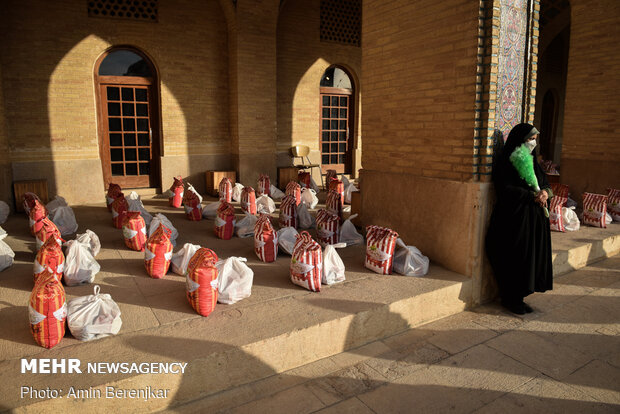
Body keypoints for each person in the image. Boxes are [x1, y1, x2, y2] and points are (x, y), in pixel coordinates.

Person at [485, 123, 553, 314]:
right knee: (515, 257)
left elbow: (545, 184)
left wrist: (545, 193)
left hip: (533, 221)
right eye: (529, 139)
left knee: (529, 260)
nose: (533, 143)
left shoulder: (533, 163)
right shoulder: (507, 161)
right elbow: (505, 189)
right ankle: (510, 298)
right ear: (519, 140)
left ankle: (520, 296)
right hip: (514, 220)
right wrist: (531, 195)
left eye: (534, 139)